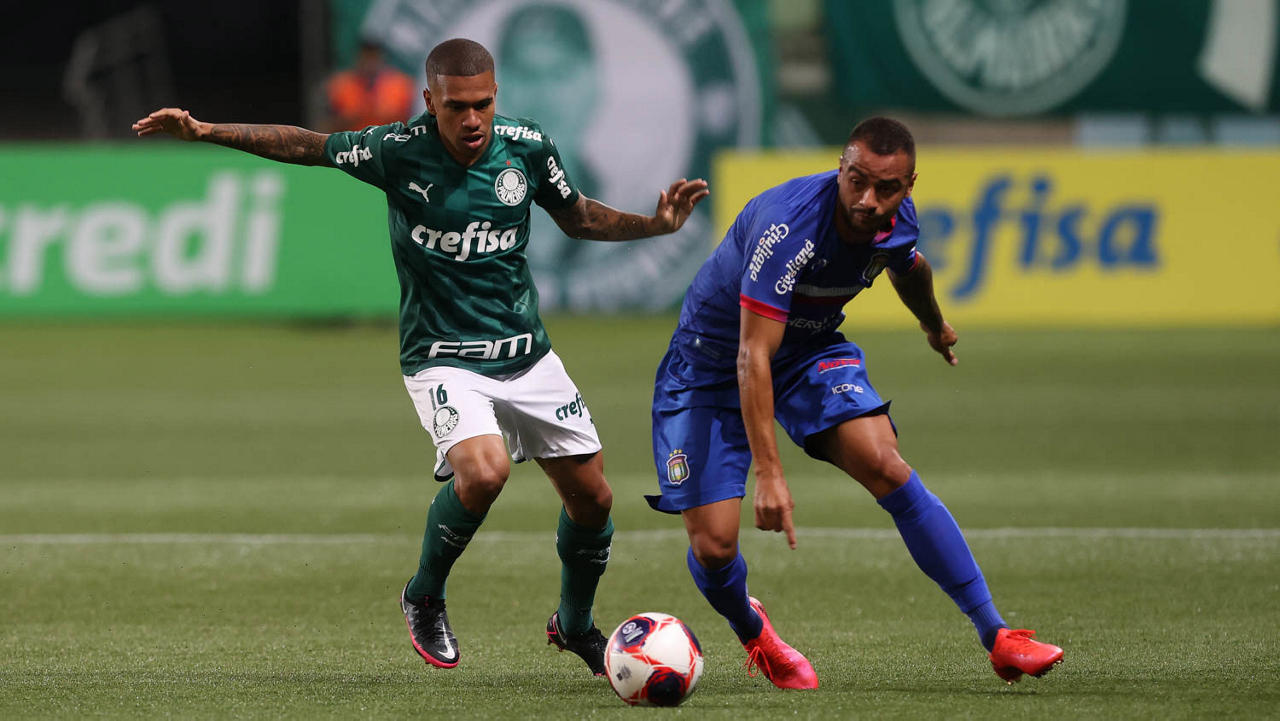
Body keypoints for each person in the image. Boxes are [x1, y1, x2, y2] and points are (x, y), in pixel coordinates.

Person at [133, 38, 709, 676]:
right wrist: (205, 131)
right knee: (485, 473)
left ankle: (573, 625)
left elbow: (577, 218)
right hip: (441, 354)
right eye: (457, 106)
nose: (472, 119)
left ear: (496, 96)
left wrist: (654, 225)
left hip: (525, 351)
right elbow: (306, 144)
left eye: (483, 104)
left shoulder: (528, 147)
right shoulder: (396, 150)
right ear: (431, 101)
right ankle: (424, 594)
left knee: (594, 500)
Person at [646, 117, 1062, 689]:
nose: (867, 200)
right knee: (716, 546)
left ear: (908, 187)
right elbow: (751, 356)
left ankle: (998, 636)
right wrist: (770, 475)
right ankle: (754, 630)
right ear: (841, 168)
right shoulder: (787, 227)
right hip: (710, 365)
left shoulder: (895, 219)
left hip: (808, 350)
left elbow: (908, 266)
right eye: (857, 181)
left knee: (886, 464)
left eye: (886, 189)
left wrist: (933, 324)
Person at [324, 40, 415, 132]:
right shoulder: (341, 86)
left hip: (389, 139)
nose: (370, 63)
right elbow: (328, 125)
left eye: (374, 57)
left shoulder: (401, 85)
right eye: (366, 57)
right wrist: (356, 115)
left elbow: (410, 124)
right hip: (353, 139)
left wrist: (386, 114)